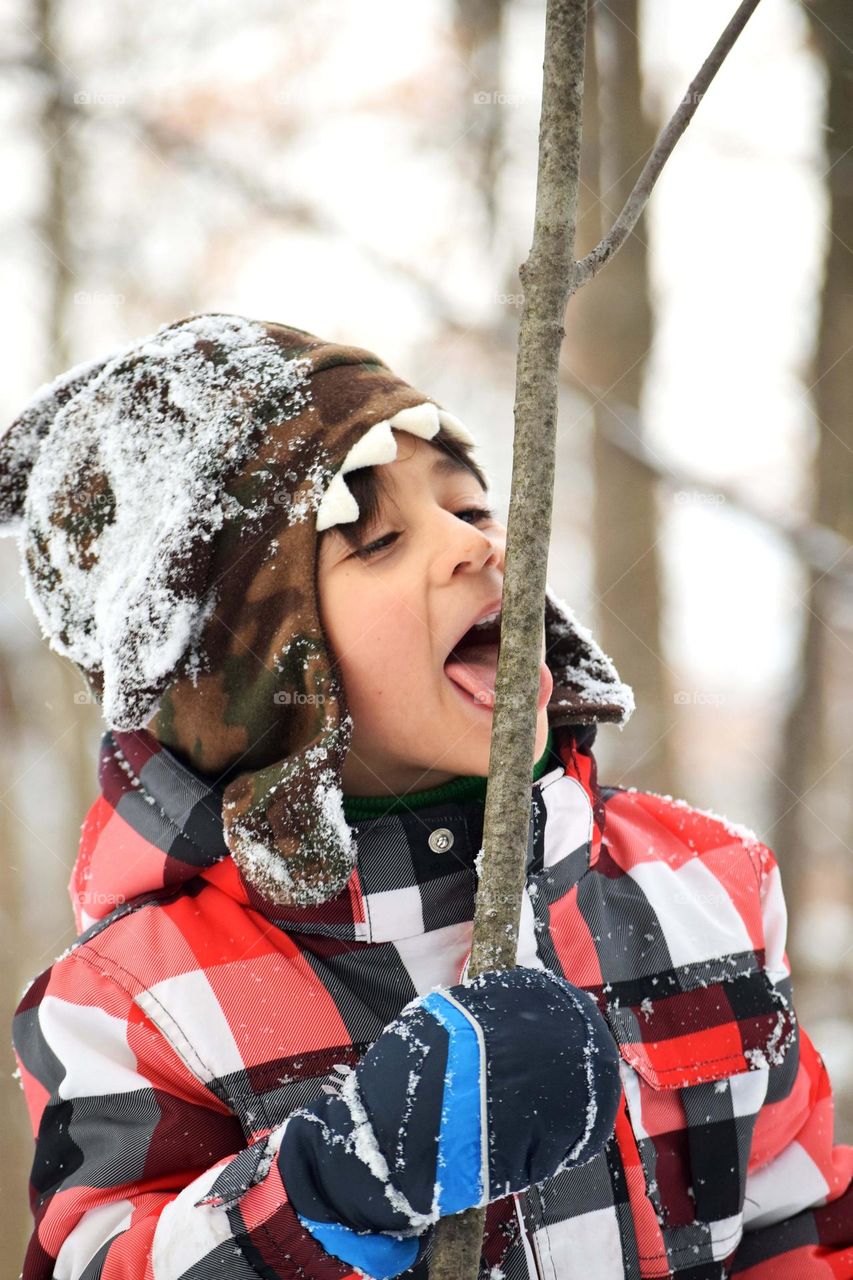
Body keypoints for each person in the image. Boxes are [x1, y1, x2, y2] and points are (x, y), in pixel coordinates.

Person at [2, 312, 851, 1280]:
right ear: (251, 678)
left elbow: (801, 1227)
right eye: (378, 540)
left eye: (471, 507)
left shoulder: (704, 889)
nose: (473, 547)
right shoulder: (138, 1003)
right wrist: (339, 1182)